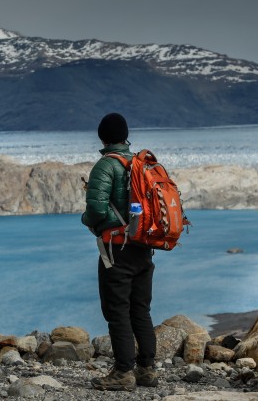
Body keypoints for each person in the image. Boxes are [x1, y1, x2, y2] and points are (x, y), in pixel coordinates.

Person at [82, 112, 158, 391]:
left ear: (103, 137)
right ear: (126, 136)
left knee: (117, 310)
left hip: (117, 249)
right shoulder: (141, 164)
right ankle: (147, 369)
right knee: (141, 308)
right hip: (145, 247)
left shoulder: (106, 166)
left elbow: (97, 210)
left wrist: (86, 220)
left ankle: (123, 372)